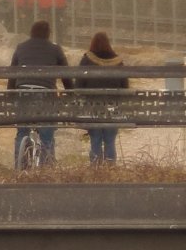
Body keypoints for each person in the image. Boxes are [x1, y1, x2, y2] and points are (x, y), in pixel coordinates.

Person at [9, 20, 68, 169]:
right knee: (47, 134)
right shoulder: (55, 49)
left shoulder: (21, 48)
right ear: (48, 33)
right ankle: (46, 170)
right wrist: (70, 92)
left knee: (22, 131)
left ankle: (20, 168)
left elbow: (12, 75)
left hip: (23, 92)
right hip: (45, 93)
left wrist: (11, 94)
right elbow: (67, 76)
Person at [78, 31, 127, 165]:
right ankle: (110, 168)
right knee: (110, 140)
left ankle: (96, 169)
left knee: (95, 138)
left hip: (93, 107)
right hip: (112, 108)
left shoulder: (87, 59)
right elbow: (125, 87)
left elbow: (79, 85)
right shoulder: (118, 61)